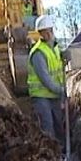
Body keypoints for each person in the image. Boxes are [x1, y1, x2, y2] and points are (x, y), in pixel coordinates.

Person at [27, 15, 66, 147]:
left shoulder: (55, 48)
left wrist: (65, 56)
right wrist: (61, 91)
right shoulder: (38, 53)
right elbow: (46, 80)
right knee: (48, 128)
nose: (48, 34)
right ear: (40, 34)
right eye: (45, 31)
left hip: (54, 96)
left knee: (60, 126)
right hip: (41, 96)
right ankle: (52, 156)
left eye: (50, 30)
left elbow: (58, 67)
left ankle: (64, 156)